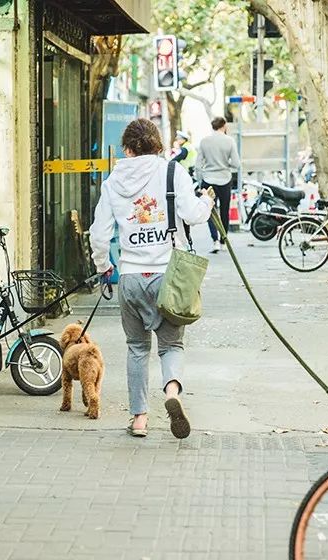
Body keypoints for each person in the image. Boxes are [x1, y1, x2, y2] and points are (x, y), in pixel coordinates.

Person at [89, 118, 213, 439]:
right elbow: (194, 214)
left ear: (127, 149)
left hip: (130, 276)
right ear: (158, 144)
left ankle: (140, 419)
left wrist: (104, 265)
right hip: (168, 276)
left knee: (136, 348)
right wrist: (208, 201)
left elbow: (99, 235)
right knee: (171, 345)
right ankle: (171, 392)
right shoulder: (172, 172)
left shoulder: (112, 182)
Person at [195, 116, 240, 254]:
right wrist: (225, 164)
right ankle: (223, 240)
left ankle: (214, 241)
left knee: (210, 211)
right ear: (224, 126)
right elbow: (236, 164)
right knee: (225, 211)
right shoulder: (229, 141)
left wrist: (199, 181)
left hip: (208, 180)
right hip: (225, 180)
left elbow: (198, 165)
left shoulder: (204, 141)